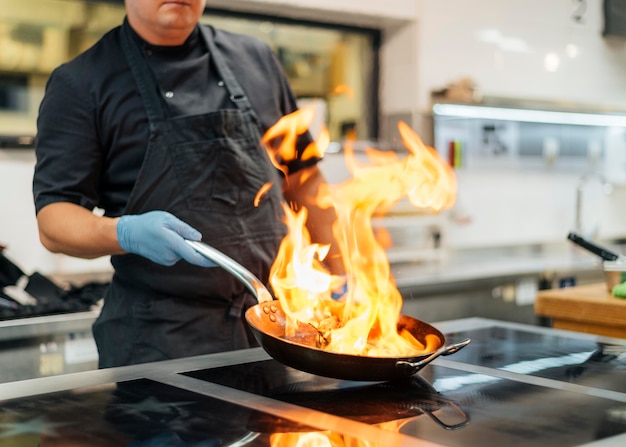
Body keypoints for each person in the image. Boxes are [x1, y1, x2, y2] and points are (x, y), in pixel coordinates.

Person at [33, 0, 344, 368]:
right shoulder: (81, 81)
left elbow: (305, 182)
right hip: (159, 342)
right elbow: (54, 221)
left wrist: (342, 279)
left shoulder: (256, 59)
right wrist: (126, 232)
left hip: (278, 331)